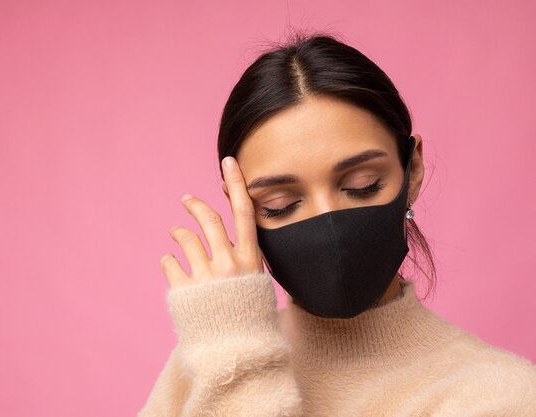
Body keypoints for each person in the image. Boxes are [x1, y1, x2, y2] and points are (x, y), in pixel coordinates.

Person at [138, 32, 536, 416]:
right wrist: (233, 356)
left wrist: (234, 359)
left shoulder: (500, 395)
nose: (327, 222)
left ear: (412, 169)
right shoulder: (209, 360)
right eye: (280, 204)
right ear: (241, 206)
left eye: (363, 185)